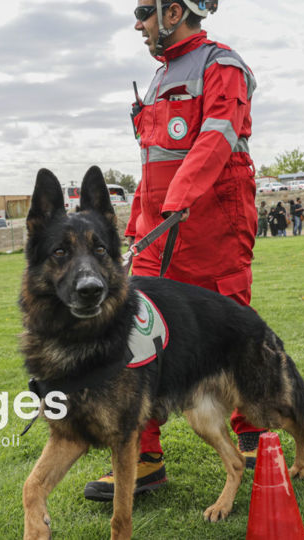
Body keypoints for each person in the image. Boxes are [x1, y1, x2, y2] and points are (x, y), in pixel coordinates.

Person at [88, 0, 264, 502]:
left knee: (232, 324)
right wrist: (138, 221)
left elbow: (217, 138)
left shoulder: (222, 64)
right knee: (133, 333)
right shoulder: (159, 79)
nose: (137, 23)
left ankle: (252, 426)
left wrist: (177, 202)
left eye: (144, 11)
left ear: (174, 11)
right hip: (160, 227)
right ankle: (143, 457)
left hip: (214, 223)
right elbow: (151, 164)